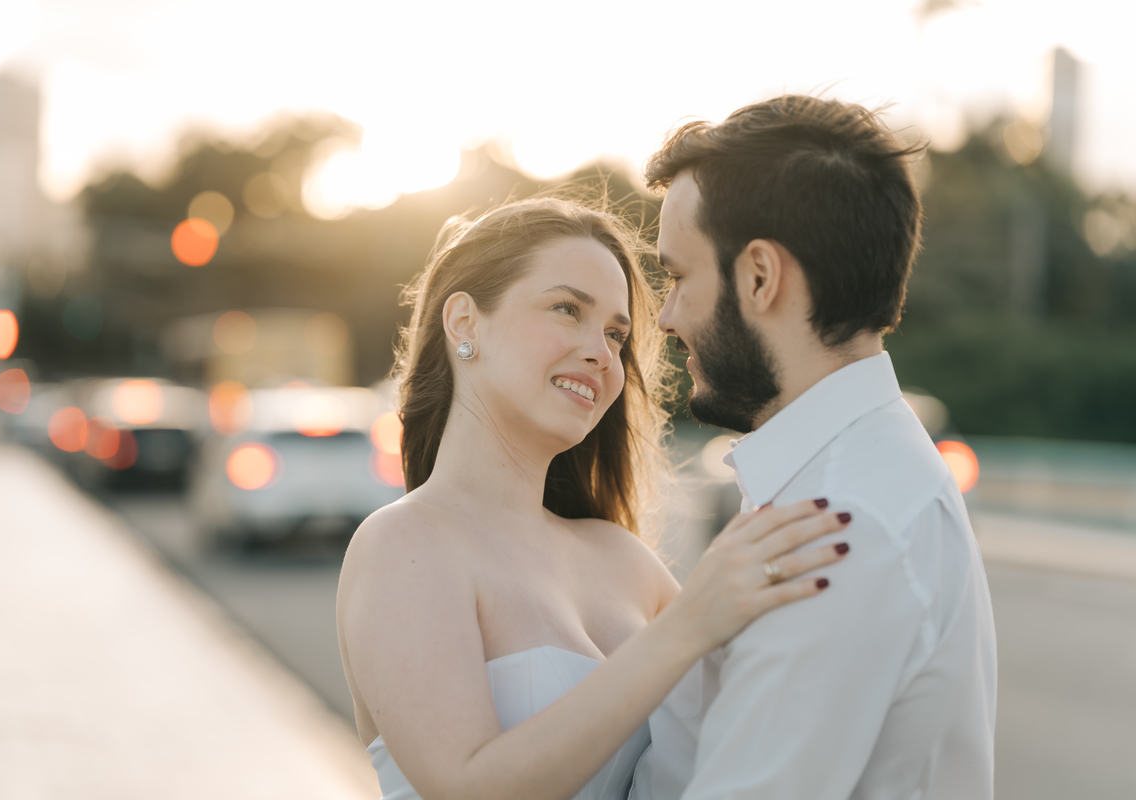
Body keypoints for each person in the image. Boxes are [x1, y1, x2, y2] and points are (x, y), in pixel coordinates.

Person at [335, 197, 852, 800]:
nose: (602, 354)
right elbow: (466, 786)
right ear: (464, 324)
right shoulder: (404, 544)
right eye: (566, 309)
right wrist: (685, 629)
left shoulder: (624, 559)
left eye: (615, 334)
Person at [630, 95, 998, 800]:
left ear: (760, 276)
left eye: (678, 276)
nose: (668, 316)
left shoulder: (839, 527)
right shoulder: (851, 478)